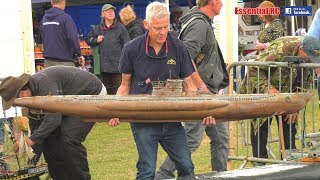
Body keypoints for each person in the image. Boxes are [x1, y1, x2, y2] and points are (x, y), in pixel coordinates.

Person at [108, 2, 216, 179]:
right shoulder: (131, 49)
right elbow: (125, 85)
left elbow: (190, 86)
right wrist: (115, 111)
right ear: (146, 25)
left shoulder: (178, 47)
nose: (162, 32)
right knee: (147, 170)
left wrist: (203, 111)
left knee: (187, 167)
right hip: (143, 121)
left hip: (172, 121)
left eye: (165, 26)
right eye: (157, 28)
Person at [155, 0, 230, 178]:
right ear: (212, 2)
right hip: (200, 91)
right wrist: (200, 86)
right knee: (192, 139)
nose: (223, 4)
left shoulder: (199, 21)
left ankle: (220, 175)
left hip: (208, 90)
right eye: (220, 1)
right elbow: (185, 57)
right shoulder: (198, 24)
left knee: (220, 138)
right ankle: (163, 175)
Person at [0, 66, 107, 180]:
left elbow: (54, 119)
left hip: (91, 96)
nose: (18, 106)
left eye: (15, 103)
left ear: (22, 95)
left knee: (69, 139)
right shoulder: (32, 98)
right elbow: (38, 132)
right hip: (69, 104)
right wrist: (29, 165)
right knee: (49, 141)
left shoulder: (45, 84)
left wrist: (30, 140)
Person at [240, 36, 320, 160]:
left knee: (290, 122)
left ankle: (289, 159)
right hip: (262, 91)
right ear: (301, 49)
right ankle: (260, 163)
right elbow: (254, 69)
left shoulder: (311, 55)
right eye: (309, 57)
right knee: (262, 126)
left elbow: (306, 83)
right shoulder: (280, 49)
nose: (310, 61)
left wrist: (295, 107)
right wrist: (269, 89)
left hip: (286, 93)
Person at [86, 4, 130, 95]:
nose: (111, 12)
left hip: (118, 68)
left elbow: (127, 46)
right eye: (107, 11)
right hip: (103, 69)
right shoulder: (97, 28)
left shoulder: (121, 28)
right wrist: (96, 40)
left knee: (119, 94)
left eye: (112, 11)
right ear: (103, 14)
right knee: (106, 93)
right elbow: (88, 40)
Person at [40, 0, 85, 68]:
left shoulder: (44, 19)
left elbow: (42, 37)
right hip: (65, 62)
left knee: (51, 79)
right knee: (68, 79)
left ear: (52, 3)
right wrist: (79, 54)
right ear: (63, 2)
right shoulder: (66, 18)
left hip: (48, 62)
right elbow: (73, 38)